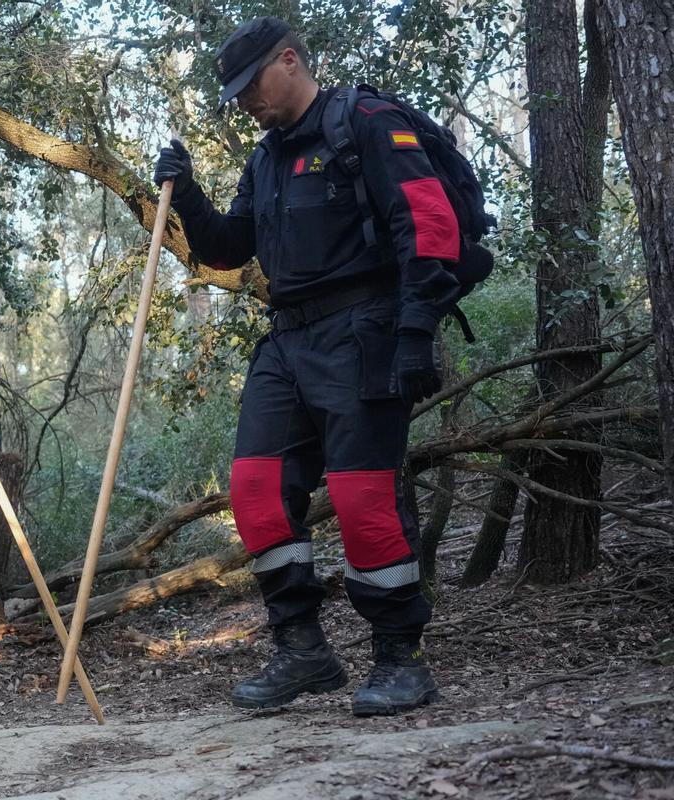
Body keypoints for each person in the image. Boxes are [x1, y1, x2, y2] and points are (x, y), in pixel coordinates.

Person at [154, 16, 463, 716]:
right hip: (287, 340)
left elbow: (429, 223)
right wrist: (189, 195)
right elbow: (229, 248)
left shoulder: (365, 124)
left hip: (364, 331)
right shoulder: (264, 159)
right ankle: (302, 650)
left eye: (250, 84)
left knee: (362, 497)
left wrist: (417, 330)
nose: (244, 101)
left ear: (289, 60)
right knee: (254, 488)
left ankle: (400, 658)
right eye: (234, 92)